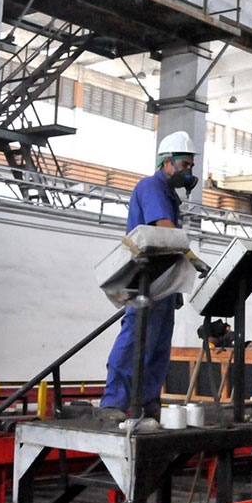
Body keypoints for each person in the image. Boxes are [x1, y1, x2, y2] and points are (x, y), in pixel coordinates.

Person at [100, 131, 199, 422]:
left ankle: (147, 401)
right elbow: (165, 229)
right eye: (184, 165)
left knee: (158, 345)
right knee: (135, 339)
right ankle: (114, 401)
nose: (188, 171)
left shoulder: (170, 195)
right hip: (146, 280)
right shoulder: (151, 187)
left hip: (163, 282)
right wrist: (191, 257)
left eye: (191, 166)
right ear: (166, 162)